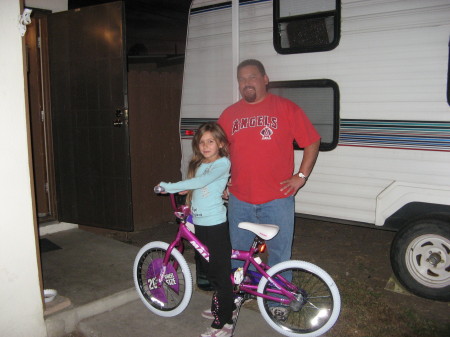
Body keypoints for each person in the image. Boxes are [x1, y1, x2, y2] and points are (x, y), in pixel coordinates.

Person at [218, 59, 320, 319]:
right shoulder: (230, 115)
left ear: (265, 79)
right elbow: (218, 152)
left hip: (278, 199)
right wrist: (222, 181)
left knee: (279, 254)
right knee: (238, 255)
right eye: (241, 79)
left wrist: (301, 176)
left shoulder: (285, 108)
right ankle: (238, 294)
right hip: (240, 199)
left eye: (252, 77)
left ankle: (277, 300)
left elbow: (312, 141)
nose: (246, 83)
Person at [157, 122, 234, 337]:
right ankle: (227, 306)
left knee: (219, 274)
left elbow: (202, 182)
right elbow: (195, 189)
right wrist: (188, 210)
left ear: (220, 143)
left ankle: (224, 323)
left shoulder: (222, 163)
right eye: (202, 142)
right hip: (201, 223)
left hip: (215, 226)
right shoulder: (201, 165)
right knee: (210, 270)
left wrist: (169, 186)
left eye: (211, 141)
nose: (206, 145)